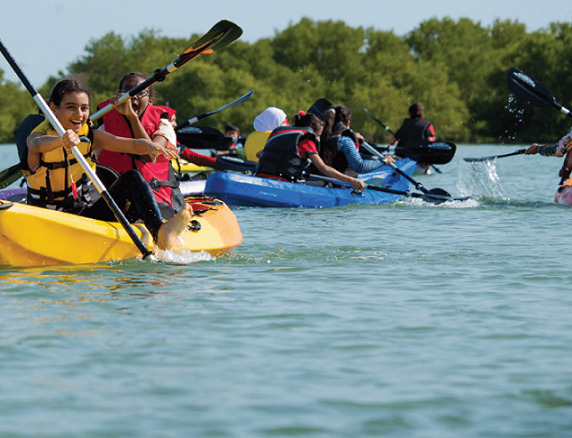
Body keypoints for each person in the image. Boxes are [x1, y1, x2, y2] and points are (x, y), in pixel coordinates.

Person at [25, 78, 192, 251]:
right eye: (71, 107)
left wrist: (152, 146)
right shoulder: (37, 138)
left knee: (132, 178)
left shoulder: (93, 137)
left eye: (84, 108)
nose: (79, 114)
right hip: (46, 217)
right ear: (53, 108)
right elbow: (36, 144)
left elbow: (131, 144)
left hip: (85, 216)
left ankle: (159, 232)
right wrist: (61, 140)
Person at [96, 72, 186, 220]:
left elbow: (149, 155)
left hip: (155, 198)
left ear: (150, 100)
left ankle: (163, 230)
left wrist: (132, 117)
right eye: (127, 91)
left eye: (140, 92)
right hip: (117, 197)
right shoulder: (105, 124)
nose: (133, 96)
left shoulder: (163, 124)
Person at [256, 112, 365, 191]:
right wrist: (352, 181)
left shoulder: (282, 132)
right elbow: (323, 168)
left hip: (261, 177)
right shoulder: (307, 140)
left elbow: (259, 154)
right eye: (318, 135)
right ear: (313, 131)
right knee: (327, 184)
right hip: (282, 183)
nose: (318, 139)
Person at [319, 104, 394, 176]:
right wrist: (383, 161)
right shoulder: (345, 140)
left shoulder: (319, 134)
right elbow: (360, 167)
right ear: (348, 122)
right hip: (340, 184)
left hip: (322, 179)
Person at [389, 102, 435, 173]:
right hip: (419, 163)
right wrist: (427, 163)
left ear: (410, 114)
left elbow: (391, 142)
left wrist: (397, 141)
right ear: (422, 114)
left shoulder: (405, 124)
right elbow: (430, 145)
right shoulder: (426, 125)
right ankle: (425, 166)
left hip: (402, 161)